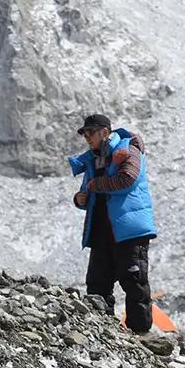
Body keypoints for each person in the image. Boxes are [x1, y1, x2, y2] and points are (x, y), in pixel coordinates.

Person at [69, 113, 158, 333]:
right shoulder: (92, 159)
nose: (87, 137)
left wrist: (95, 185)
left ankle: (140, 334)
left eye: (90, 132)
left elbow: (127, 179)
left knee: (134, 282)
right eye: (85, 134)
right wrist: (80, 199)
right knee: (97, 283)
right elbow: (88, 191)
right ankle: (103, 333)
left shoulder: (129, 149)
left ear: (105, 132)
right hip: (101, 231)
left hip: (128, 231)